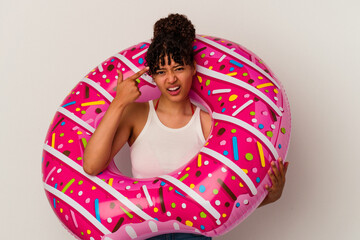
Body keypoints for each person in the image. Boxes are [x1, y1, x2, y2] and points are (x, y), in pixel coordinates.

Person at [83, 13, 289, 240]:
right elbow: (92, 166)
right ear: (152, 76)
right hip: (143, 235)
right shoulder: (136, 114)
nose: (171, 79)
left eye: (178, 68)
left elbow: (220, 203)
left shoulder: (209, 126)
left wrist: (269, 197)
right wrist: (119, 102)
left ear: (192, 68)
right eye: (161, 71)